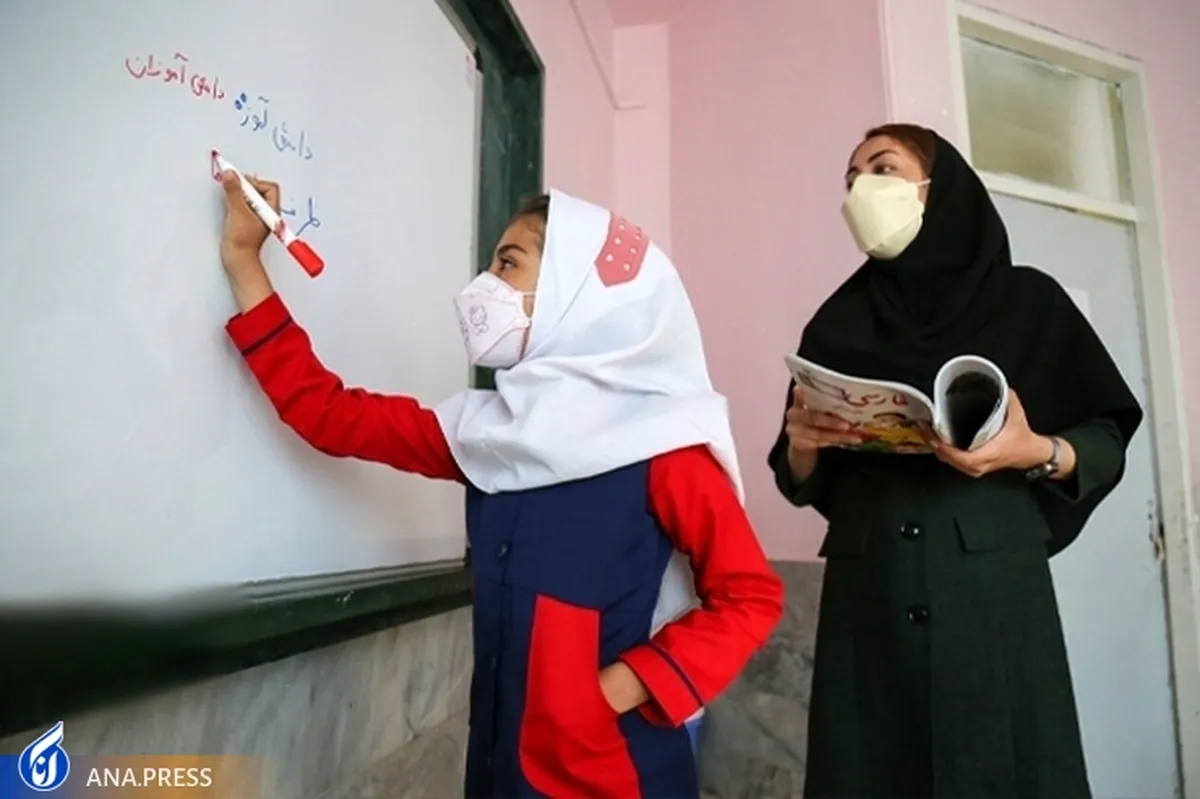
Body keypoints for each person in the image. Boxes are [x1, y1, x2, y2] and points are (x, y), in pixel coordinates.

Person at [217, 174, 783, 798]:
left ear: (576, 291)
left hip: (616, 775)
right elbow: (328, 413)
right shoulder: (490, 436)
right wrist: (244, 260)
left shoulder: (664, 449)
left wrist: (614, 690)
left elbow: (749, 596)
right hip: (499, 771)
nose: (483, 286)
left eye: (508, 263)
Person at [768, 124, 1142, 798]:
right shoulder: (838, 320)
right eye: (850, 180)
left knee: (1008, 769)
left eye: (882, 168)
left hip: (992, 596)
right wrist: (802, 444)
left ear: (943, 189)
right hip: (869, 597)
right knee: (872, 773)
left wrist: (1037, 450)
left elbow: (1105, 438)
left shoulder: (1028, 302)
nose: (860, 191)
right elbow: (799, 479)